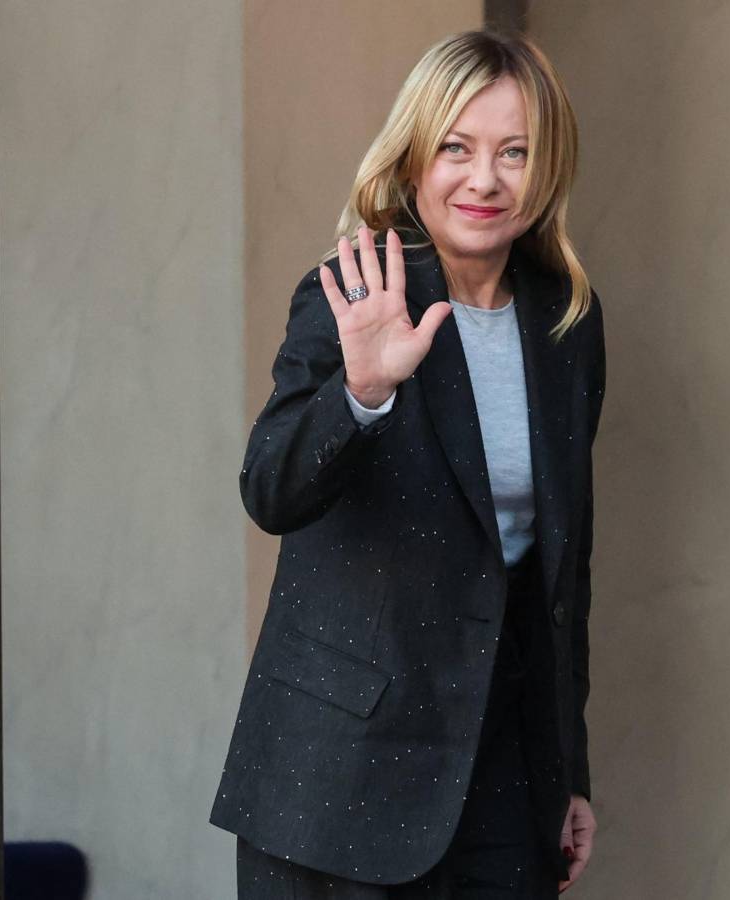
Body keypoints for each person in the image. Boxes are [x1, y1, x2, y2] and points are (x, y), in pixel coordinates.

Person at [210, 30, 606, 899]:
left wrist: (567, 767)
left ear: (547, 168)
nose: (485, 179)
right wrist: (361, 390)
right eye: (456, 148)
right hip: (339, 778)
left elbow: (560, 572)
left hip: (502, 777)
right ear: (415, 156)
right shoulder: (356, 288)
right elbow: (269, 487)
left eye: (514, 153)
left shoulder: (566, 322)